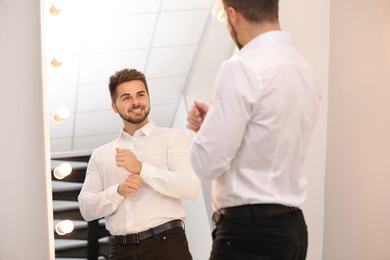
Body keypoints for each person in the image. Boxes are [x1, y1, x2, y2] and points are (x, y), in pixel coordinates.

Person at [186, 0, 322, 259]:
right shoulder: (304, 70)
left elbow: (206, 164)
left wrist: (207, 133)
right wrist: (217, 124)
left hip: (248, 233)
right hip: (291, 230)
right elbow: (269, 137)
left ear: (233, 15)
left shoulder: (240, 67)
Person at [78, 68, 200, 260]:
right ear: (114, 106)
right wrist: (117, 191)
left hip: (167, 246)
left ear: (148, 98)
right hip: (120, 251)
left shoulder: (172, 138)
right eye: (126, 97)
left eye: (140, 95)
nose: (135, 102)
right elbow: (86, 208)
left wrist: (142, 169)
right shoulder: (101, 155)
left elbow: (191, 188)